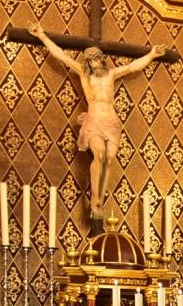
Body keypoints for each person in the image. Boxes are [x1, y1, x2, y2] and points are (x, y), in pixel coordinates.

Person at [29, 23, 167, 218]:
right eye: (90, 61)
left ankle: (101, 198)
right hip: (94, 119)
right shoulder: (84, 74)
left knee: (110, 160)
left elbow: (131, 67)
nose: (94, 63)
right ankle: (94, 199)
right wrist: (42, 36)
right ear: (87, 63)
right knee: (99, 155)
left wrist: (151, 55)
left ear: (102, 60)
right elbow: (61, 55)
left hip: (111, 121)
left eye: (96, 60)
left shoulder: (111, 75)